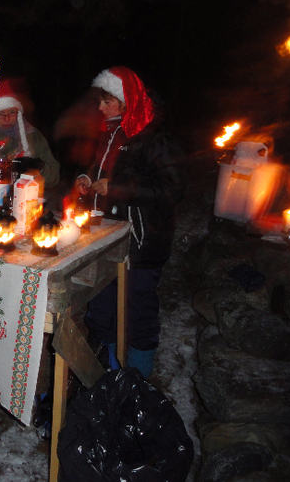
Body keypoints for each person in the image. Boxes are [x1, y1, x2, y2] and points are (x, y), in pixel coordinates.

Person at [74, 66, 183, 378]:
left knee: (138, 310)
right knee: (103, 305)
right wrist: (87, 177)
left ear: (126, 101)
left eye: (106, 101)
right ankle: (108, 373)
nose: (99, 107)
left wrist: (118, 190)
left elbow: (173, 189)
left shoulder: (155, 139)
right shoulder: (112, 132)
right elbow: (101, 168)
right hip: (108, 235)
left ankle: (138, 379)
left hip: (142, 240)